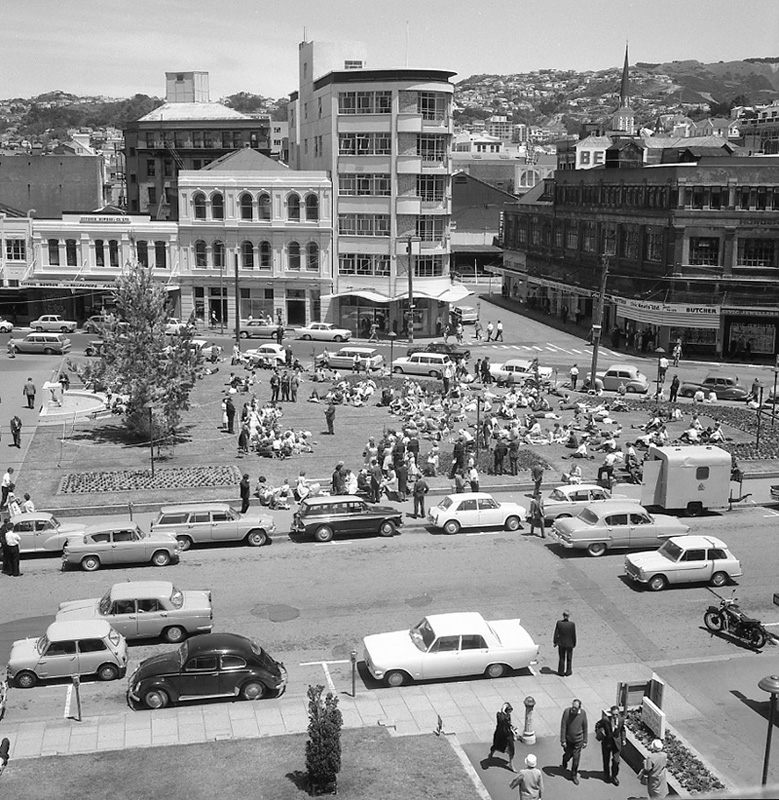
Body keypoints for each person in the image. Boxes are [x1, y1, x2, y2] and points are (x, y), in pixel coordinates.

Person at [595, 705, 625, 786]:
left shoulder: (621, 719)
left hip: (616, 743)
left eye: (616, 714)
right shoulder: (605, 720)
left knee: (616, 761)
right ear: (611, 713)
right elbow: (598, 725)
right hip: (607, 742)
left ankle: (614, 776)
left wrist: (623, 739)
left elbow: (622, 729)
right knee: (606, 760)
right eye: (613, 714)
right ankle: (606, 774)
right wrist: (600, 731)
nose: (615, 716)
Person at [560, 699, 588, 785]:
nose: (573, 709)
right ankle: (565, 758)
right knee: (568, 754)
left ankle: (573, 775)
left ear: (579, 708)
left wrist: (585, 740)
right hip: (569, 740)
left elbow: (585, 727)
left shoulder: (583, 713)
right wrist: (563, 740)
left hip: (578, 740)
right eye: (572, 707)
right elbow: (563, 726)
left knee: (576, 758)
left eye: (575, 708)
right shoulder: (567, 712)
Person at [488, 702, 516, 771]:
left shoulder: (507, 716)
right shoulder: (500, 716)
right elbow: (502, 720)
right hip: (500, 735)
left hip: (508, 735)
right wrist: (503, 712)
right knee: (496, 746)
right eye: (509, 710)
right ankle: (491, 755)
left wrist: (513, 729)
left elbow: (508, 724)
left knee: (511, 749)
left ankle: (511, 764)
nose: (510, 712)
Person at [553, 610, 576, 677]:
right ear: (568, 616)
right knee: (569, 658)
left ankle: (561, 672)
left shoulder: (559, 623)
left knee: (562, 658)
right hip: (569, 643)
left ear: (563, 616)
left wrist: (555, 642)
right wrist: (574, 643)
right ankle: (568, 671)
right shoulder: (572, 624)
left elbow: (556, 633)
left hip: (561, 643)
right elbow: (573, 635)